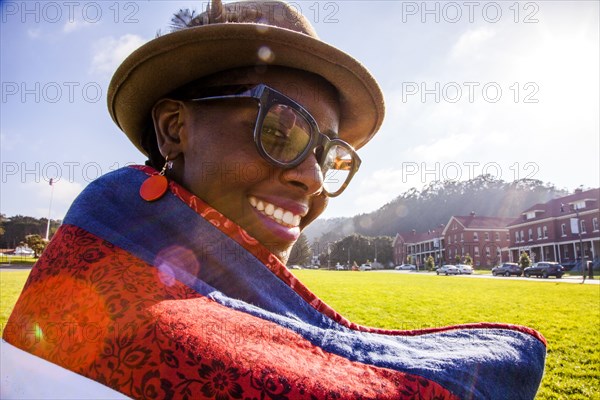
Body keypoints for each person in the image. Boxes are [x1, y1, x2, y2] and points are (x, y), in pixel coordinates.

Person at [2, 1, 546, 399]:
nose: (311, 178)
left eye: (332, 156)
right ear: (174, 129)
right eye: (281, 130)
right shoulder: (107, 305)